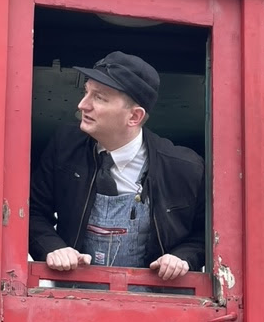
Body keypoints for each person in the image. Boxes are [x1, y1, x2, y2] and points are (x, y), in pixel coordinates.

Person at [29, 51, 205, 281]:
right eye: (85, 92)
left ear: (134, 117)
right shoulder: (64, 146)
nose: (82, 105)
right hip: (72, 293)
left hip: (154, 297)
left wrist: (182, 258)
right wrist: (53, 247)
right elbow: (32, 211)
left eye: (99, 98)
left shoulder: (184, 168)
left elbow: (207, 235)